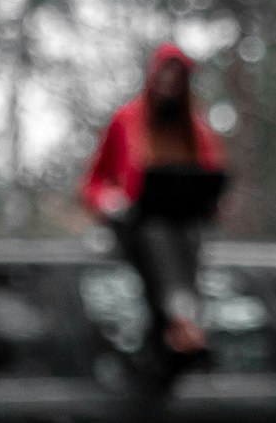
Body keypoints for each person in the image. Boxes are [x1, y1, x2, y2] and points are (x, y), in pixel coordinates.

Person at [80, 42, 228, 366]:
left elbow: (212, 178)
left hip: (187, 225)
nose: (169, 86)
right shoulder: (126, 120)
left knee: (185, 233)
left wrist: (211, 201)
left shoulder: (197, 129)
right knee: (156, 230)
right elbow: (92, 183)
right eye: (164, 76)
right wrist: (108, 200)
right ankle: (183, 322)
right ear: (153, 76)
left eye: (178, 79)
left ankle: (183, 324)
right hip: (135, 223)